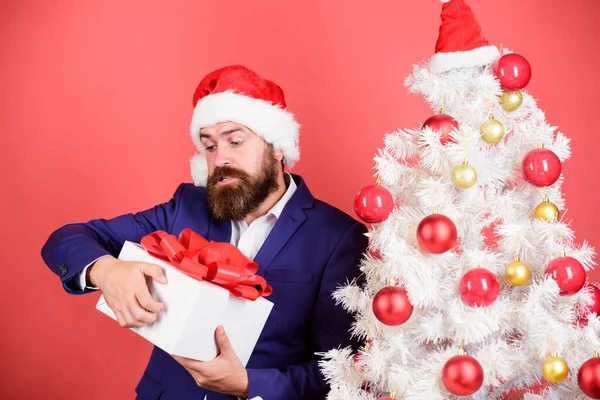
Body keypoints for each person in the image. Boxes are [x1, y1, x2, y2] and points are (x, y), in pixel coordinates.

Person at [41, 65, 368, 400]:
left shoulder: (339, 238)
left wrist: (248, 385)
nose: (220, 158)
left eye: (235, 141)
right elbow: (66, 239)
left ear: (277, 146)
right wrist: (106, 270)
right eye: (209, 146)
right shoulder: (187, 206)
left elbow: (342, 368)